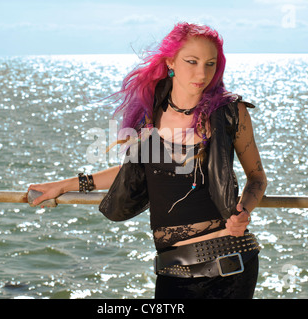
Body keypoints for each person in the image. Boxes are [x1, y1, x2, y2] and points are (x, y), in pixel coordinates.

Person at [28, 22, 267, 299]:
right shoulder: (150, 114)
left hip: (232, 265)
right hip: (174, 272)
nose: (201, 73)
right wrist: (66, 184)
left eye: (210, 64)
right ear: (170, 62)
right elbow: (136, 170)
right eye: (192, 61)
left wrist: (244, 211)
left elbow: (257, 178)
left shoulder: (230, 111)